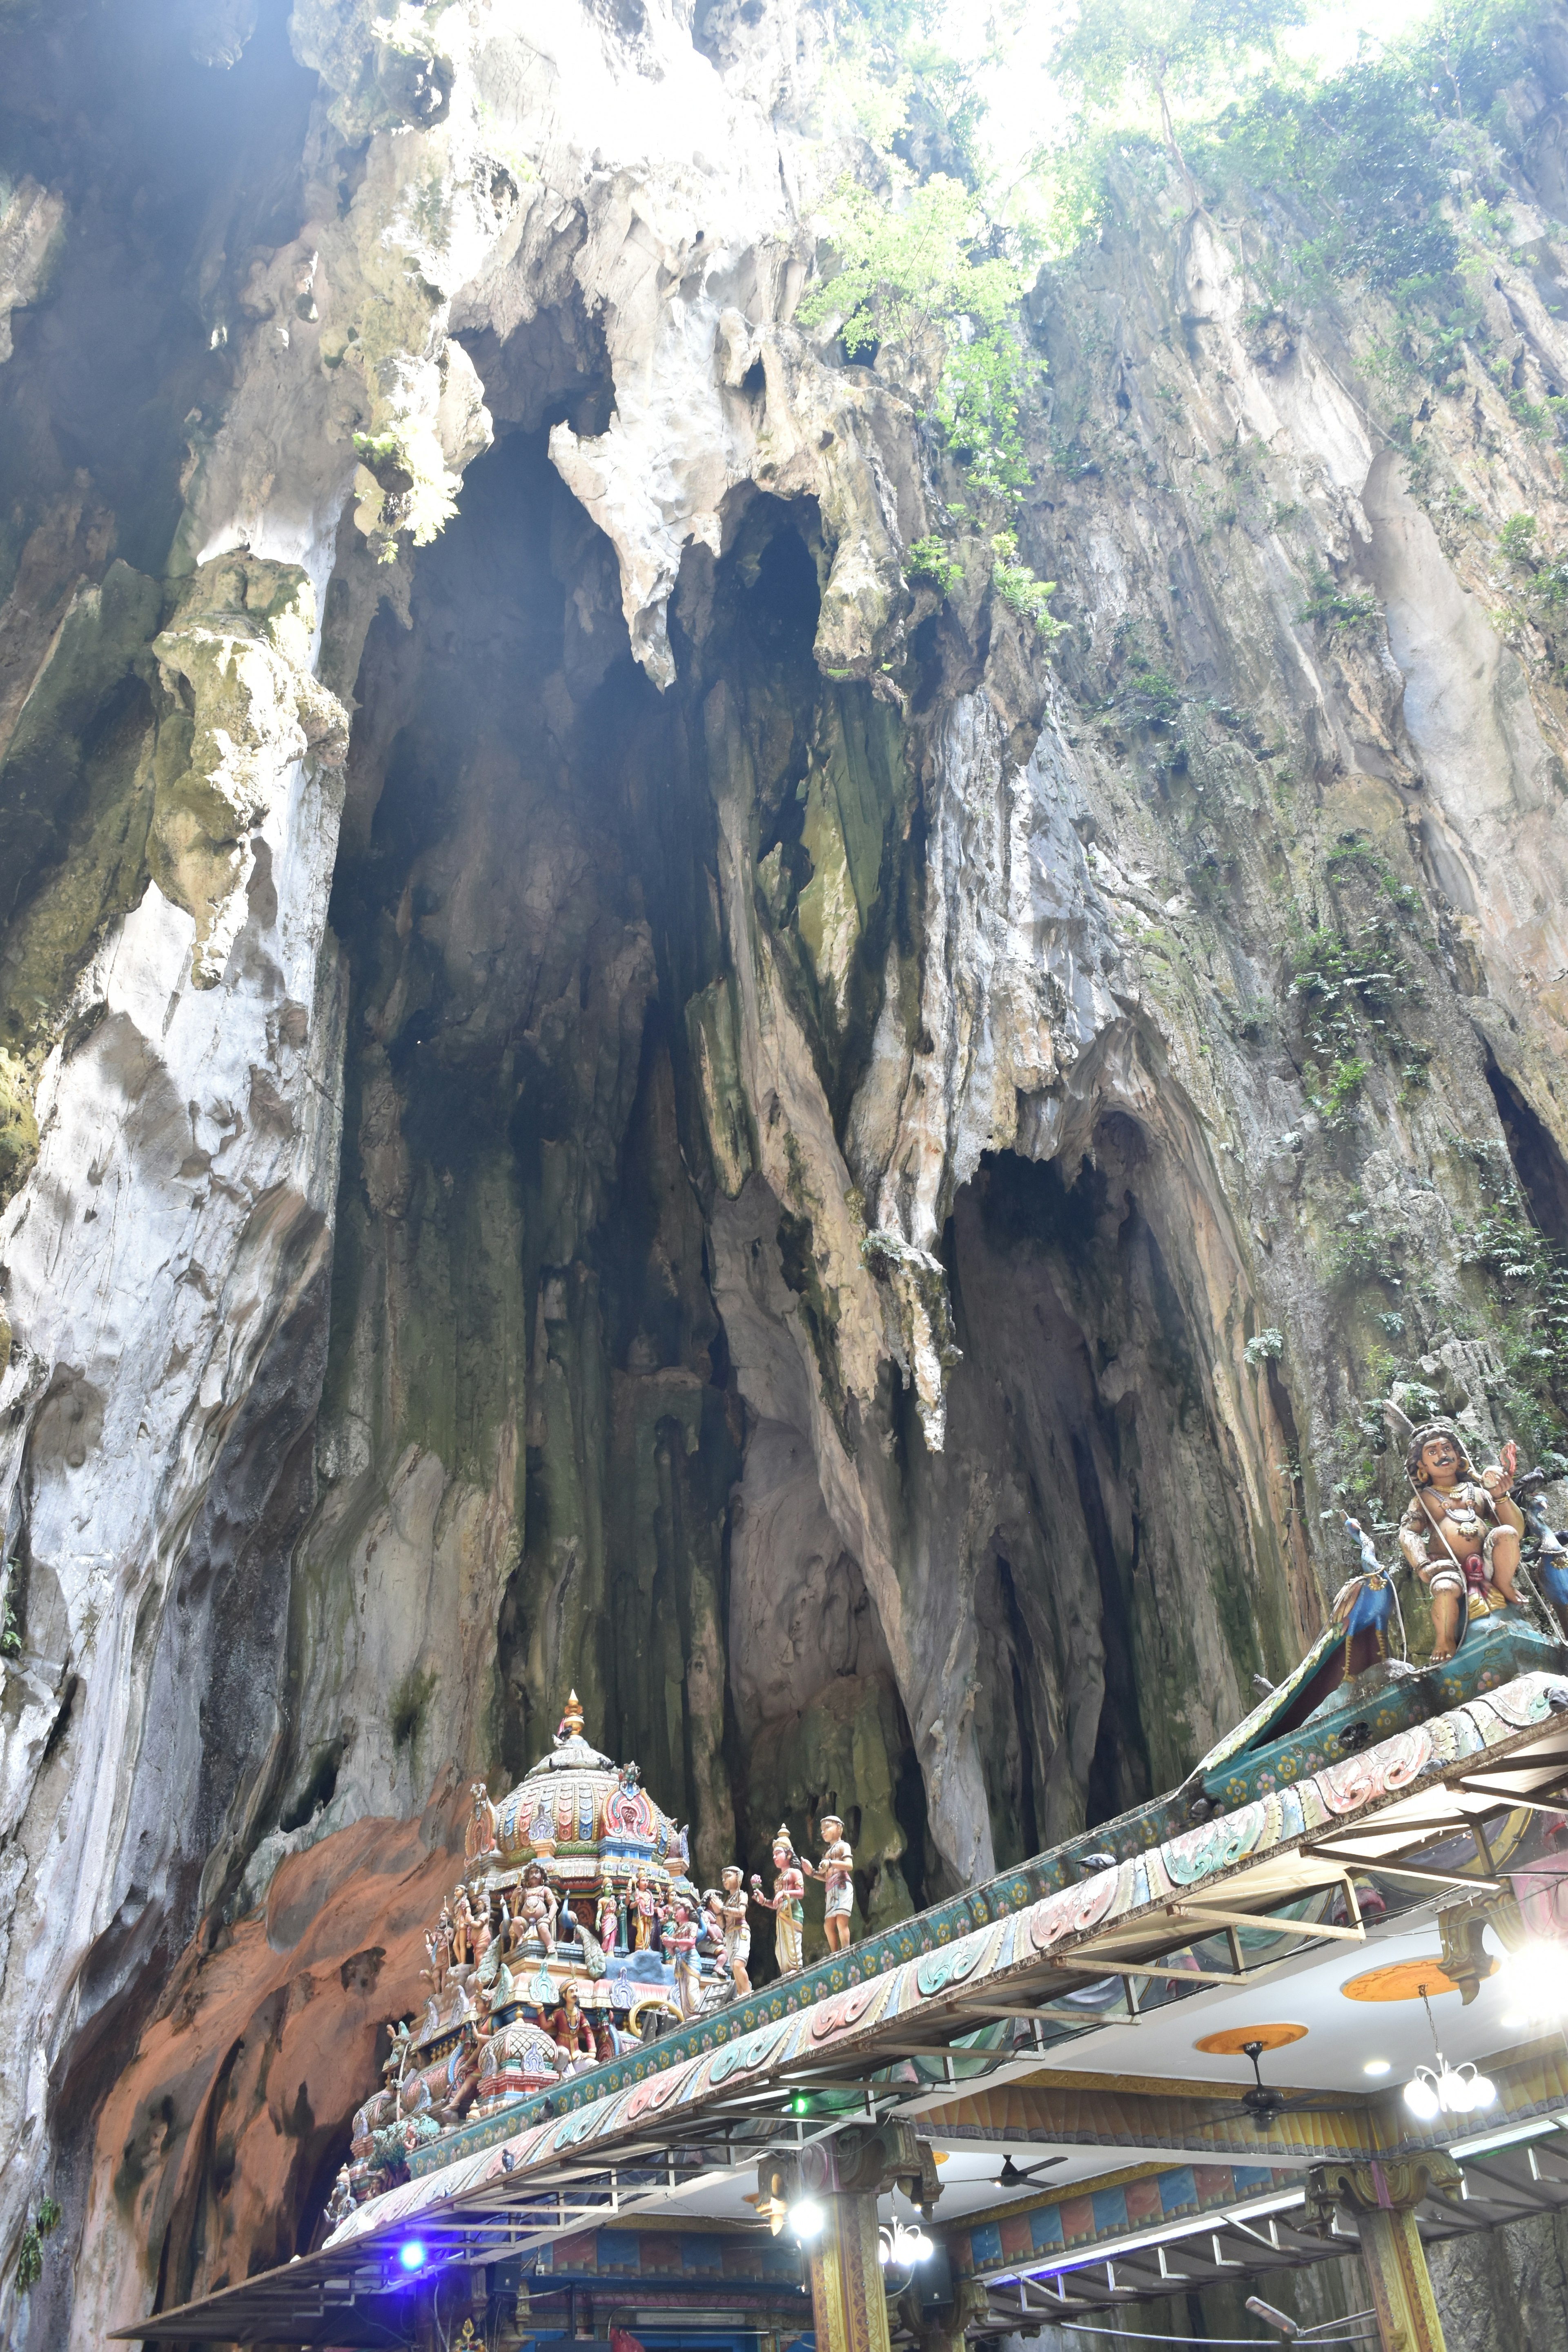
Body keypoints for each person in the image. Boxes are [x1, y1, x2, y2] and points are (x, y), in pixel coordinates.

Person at [1398, 1420, 1523, 1663]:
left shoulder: (1476, 1491)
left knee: (1506, 1533)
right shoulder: (1423, 1499)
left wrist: (1501, 1496)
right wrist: (1423, 1566)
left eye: (1447, 1449)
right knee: (1445, 1590)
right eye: (1432, 1452)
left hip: (1487, 1561)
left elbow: (1516, 1530)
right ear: (1423, 1466)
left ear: (1459, 1457)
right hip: (1448, 1565)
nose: (1442, 1455)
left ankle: (1503, 1584)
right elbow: (1409, 1533)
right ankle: (1444, 1638)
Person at [751, 1826, 806, 1976]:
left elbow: (801, 1893)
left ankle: (795, 1969)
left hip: (793, 1914)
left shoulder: (795, 1872)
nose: (775, 1857)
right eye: (774, 1854)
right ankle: (786, 1971)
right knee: (780, 1948)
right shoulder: (778, 1879)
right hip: (781, 1915)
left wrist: (784, 1892)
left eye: (778, 1853)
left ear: (788, 1855)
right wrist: (763, 1901)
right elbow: (776, 1904)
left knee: (792, 1944)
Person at [811, 1814, 855, 1952]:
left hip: (842, 1885)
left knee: (841, 1921)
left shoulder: (844, 1846)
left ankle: (846, 1950)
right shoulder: (827, 1853)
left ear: (839, 1828)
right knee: (828, 1926)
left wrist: (830, 1863)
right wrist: (811, 1873)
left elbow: (849, 1866)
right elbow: (826, 1877)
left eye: (827, 1828)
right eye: (822, 1830)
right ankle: (835, 1953)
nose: (823, 1832)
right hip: (831, 1888)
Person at [717, 1865, 752, 1998]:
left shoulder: (742, 1895)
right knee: (734, 1968)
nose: (724, 1880)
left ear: (738, 1877)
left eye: (728, 1877)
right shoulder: (727, 1900)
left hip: (740, 1931)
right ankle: (740, 1993)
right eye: (723, 1878)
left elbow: (741, 1912)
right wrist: (718, 1912)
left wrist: (723, 1909)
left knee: (738, 1964)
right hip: (730, 1934)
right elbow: (723, 1925)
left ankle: (748, 1992)